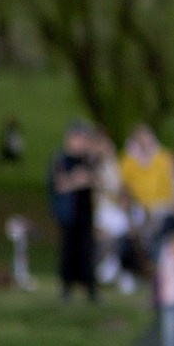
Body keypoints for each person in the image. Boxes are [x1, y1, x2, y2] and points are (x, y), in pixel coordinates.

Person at [48, 124, 101, 301]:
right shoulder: (61, 160)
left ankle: (90, 288)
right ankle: (66, 287)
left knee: (87, 251)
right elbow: (59, 185)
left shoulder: (88, 160)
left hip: (85, 212)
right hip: (69, 212)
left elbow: (96, 179)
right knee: (68, 250)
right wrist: (76, 181)